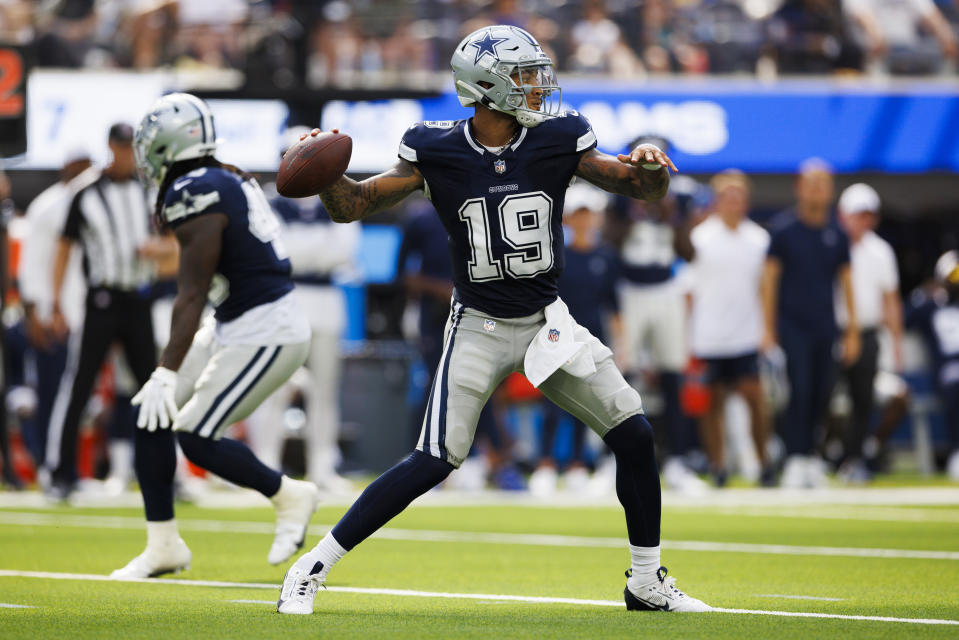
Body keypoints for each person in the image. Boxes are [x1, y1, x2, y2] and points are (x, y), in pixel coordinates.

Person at [278, 24, 710, 615]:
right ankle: (312, 566)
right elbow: (354, 205)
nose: (538, 87)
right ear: (485, 86)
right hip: (476, 324)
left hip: (545, 319)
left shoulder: (559, 137)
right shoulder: (434, 148)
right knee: (433, 460)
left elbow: (642, 190)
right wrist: (328, 179)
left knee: (633, 431)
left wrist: (652, 167)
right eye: (525, 76)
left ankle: (645, 581)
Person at [109, 92, 320, 579]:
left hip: (266, 328)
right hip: (237, 321)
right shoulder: (220, 175)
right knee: (150, 413)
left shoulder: (195, 189)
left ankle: (289, 494)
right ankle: (163, 545)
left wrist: (165, 370)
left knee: (195, 435)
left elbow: (191, 291)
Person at [42, 123, 162, 499]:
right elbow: (64, 248)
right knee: (80, 385)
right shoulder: (87, 193)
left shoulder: (148, 191)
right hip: (102, 300)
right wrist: (56, 302)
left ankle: (163, 473)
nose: (127, 154)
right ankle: (61, 473)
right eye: (122, 147)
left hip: (139, 298)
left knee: (152, 389)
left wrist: (159, 250)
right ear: (111, 147)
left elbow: (172, 241)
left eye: (132, 148)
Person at [246, 160, 360, 494]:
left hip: (325, 301)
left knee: (325, 391)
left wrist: (300, 249)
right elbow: (273, 252)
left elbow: (344, 251)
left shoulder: (337, 197)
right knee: (273, 387)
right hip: (285, 299)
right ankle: (265, 466)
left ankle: (322, 467)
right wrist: (316, 248)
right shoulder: (269, 201)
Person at [608, 135, 703, 494]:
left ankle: (678, 459)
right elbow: (611, 240)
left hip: (666, 288)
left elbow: (688, 252)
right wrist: (636, 208)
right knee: (621, 375)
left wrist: (670, 213)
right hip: (631, 290)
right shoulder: (618, 191)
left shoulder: (679, 195)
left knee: (673, 374)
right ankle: (613, 459)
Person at [761, 158, 859, 488]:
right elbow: (770, 282)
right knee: (798, 391)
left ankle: (811, 457)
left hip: (825, 325)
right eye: (811, 182)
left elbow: (846, 283)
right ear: (799, 188)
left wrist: (852, 330)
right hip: (792, 325)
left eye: (823, 183)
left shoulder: (837, 234)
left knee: (822, 394)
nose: (817, 189)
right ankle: (794, 459)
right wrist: (768, 329)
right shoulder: (784, 230)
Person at [528, 182, 621, 495]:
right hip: (556, 338)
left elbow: (613, 304)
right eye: (578, 215)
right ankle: (545, 465)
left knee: (586, 404)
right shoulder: (556, 255)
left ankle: (579, 465)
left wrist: (622, 346)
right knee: (552, 404)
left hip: (592, 339)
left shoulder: (607, 257)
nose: (584, 221)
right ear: (568, 219)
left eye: (589, 215)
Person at [687, 170, 774, 487]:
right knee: (712, 404)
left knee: (755, 398)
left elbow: (766, 288)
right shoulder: (700, 239)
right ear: (717, 201)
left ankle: (765, 464)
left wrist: (767, 330)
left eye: (739, 196)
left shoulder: (759, 240)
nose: (734, 202)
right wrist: (689, 336)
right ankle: (718, 466)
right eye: (728, 196)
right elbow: (688, 291)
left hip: (746, 334)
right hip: (708, 336)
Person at [16, 147, 91, 471]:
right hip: (53, 317)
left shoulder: (90, 203)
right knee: (51, 395)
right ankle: (49, 465)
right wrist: (37, 314)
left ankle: (63, 465)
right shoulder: (47, 206)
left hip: (82, 315)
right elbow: (30, 266)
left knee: (74, 397)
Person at [833, 183, 903, 483]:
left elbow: (890, 300)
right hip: (832, 332)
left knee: (863, 400)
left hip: (868, 333)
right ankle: (821, 455)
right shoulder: (831, 243)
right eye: (858, 214)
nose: (864, 221)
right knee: (821, 396)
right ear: (843, 215)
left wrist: (896, 342)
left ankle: (853, 459)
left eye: (869, 215)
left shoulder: (880, 251)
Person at [906, 251, 959, 481]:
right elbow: (906, 318)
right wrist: (924, 293)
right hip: (949, 368)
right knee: (955, 382)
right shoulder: (930, 305)